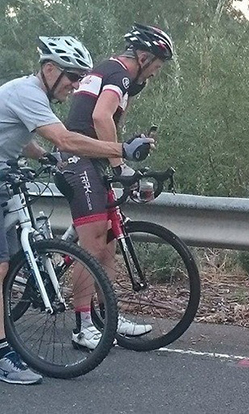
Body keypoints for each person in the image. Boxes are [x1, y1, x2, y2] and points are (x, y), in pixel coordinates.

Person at [0, 35, 154, 385]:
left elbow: (20, 137)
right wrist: (121, 150)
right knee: (1, 266)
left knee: (6, 263)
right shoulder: (28, 92)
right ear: (49, 69)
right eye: (72, 77)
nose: (76, 85)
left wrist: (46, 156)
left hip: (4, 175)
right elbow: (67, 138)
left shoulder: (33, 96)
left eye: (80, 78)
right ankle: (3, 354)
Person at [54, 23, 174, 350]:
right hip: (78, 160)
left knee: (107, 244)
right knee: (92, 247)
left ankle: (107, 317)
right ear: (144, 57)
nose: (154, 76)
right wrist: (120, 165)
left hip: (90, 159)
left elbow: (109, 124)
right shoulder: (120, 73)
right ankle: (82, 326)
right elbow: (100, 118)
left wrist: (128, 149)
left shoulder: (110, 70)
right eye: (156, 68)